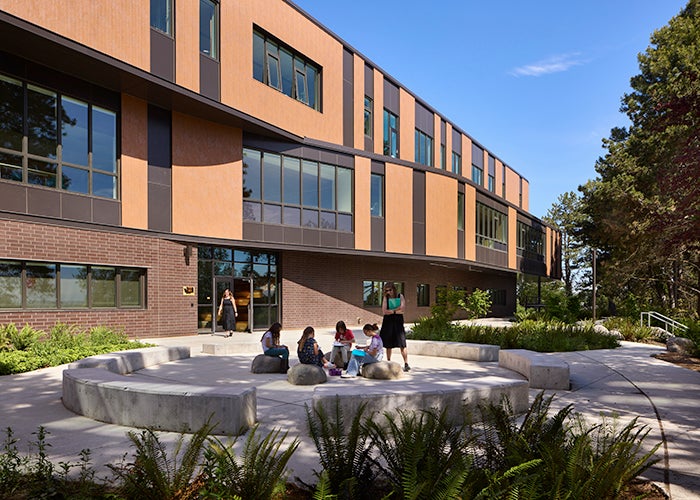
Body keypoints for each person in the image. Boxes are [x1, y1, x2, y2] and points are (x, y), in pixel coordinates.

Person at [379, 282, 410, 372]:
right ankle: (389, 362)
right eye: (386, 290)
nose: (389, 292)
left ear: (394, 289)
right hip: (388, 322)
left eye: (390, 290)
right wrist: (397, 310)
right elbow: (384, 311)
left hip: (398, 322)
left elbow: (403, 309)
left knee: (402, 342)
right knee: (388, 343)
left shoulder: (400, 296)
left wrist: (392, 311)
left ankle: (406, 363)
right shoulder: (386, 298)